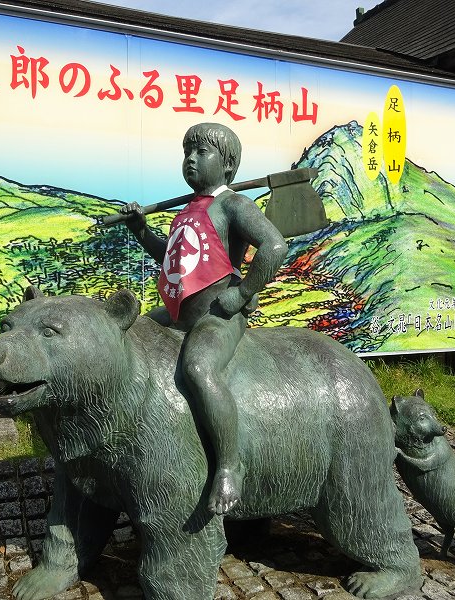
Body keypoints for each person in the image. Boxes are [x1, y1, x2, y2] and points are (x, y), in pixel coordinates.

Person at [121, 123, 287, 514]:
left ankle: (231, 465)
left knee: (198, 367)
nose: (191, 159)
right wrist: (142, 231)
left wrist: (244, 293)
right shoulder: (188, 210)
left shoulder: (234, 205)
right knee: (135, 333)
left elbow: (274, 246)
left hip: (217, 315)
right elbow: (176, 261)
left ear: (228, 165)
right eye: (186, 152)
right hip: (180, 311)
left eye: (201, 152)